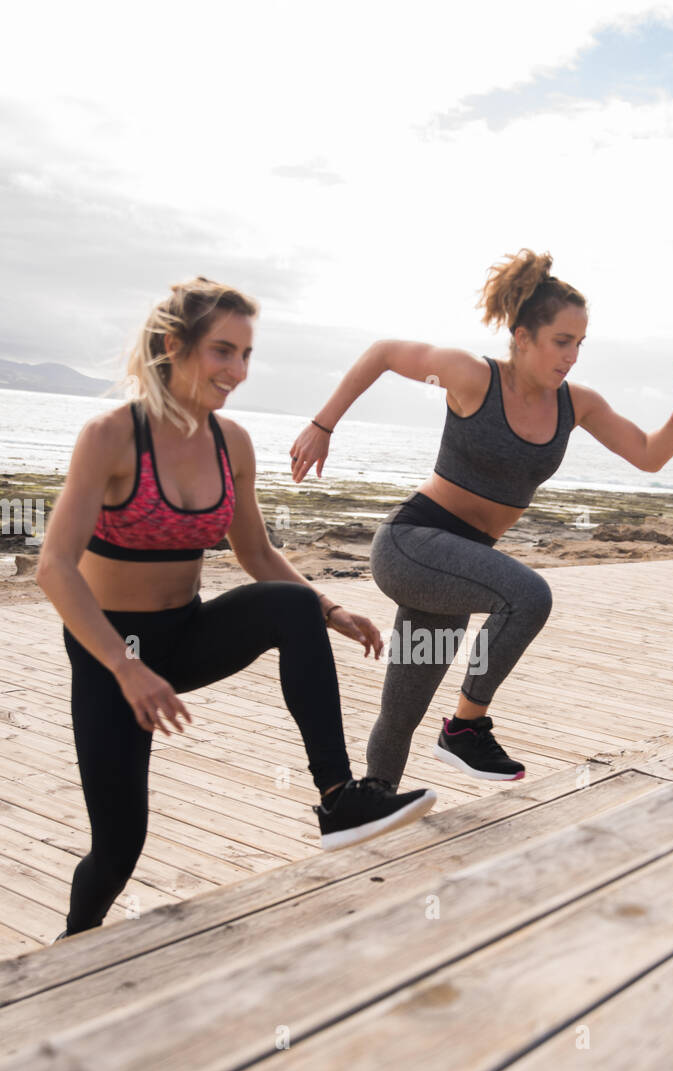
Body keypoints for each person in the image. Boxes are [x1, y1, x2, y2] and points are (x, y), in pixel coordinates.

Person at [37, 277, 437, 940]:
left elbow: (254, 551)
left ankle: (339, 799)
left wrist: (329, 609)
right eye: (224, 351)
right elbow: (53, 569)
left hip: (184, 634)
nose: (237, 371)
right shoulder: (111, 435)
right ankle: (66, 954)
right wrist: (123, 666)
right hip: (112, 653)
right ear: (175, 345)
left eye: (246, 355)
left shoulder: (233, 445)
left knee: (289, 605)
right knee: (118, 849)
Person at [289, 248, 673, 790]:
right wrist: (322, 425)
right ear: (522, 337)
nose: (573, 356)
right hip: (413, 545)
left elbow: (650, 454)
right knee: (529, 596)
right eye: (562, 341)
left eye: (580, 344)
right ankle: (466, 729)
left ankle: (369, 807)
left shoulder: (576, 404)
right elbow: (383, 353)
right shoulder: (473, 377)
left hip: (456, 571)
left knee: (401, 713)